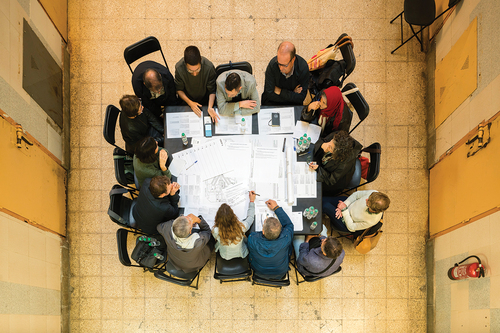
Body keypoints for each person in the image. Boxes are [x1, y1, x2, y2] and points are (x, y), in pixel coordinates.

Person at [247, 199, 293, 279]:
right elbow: (289, 224)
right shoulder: (286, 237)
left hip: (259, 271)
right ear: (280, 231)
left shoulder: (252, 238)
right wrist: (276, 208)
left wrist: (266, 224)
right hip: (280, 273)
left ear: (263, 232)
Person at [174, 46, 218, 122]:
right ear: (185, 64)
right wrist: (190, 103)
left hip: (205, 100)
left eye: (198, 69)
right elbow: (179, 89)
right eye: (190, 71)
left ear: (200, 60)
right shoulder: (179, 68)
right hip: (187, 100)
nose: (194, 74)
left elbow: (212, 91)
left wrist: (210, 107)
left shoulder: (209, 67)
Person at [261, 41, 309, 106]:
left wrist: (280, 91)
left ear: (293, 60)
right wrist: (292, 93)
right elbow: (269, 94)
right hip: (273, 102)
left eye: (284, 65)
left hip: (293, 104)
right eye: (279, 64)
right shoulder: (273, 65)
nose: (280, 68)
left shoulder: (303, 68)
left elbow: (301, 98)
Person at [212, 191, 256, 260]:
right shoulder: (241, 227)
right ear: (233, 216)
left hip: (225, 255)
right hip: (241, 253)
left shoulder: (216, 230)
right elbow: (250, 217)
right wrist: (252, 201)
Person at [324, 190, 390, 233]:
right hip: (348, 203)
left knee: (325, 205)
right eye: (368, 198)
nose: (366, 199)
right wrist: (344, 204)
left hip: (346, 222)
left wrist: (344, 210)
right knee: (323, 199)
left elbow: (351, 227)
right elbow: (357, 195)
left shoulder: (372, 220)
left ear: (373, 210)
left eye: (367, 203)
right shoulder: (374, 194)